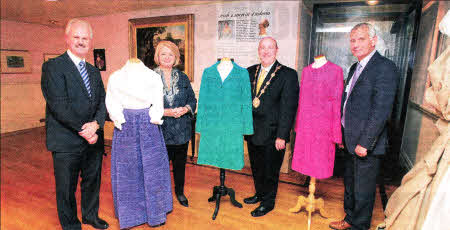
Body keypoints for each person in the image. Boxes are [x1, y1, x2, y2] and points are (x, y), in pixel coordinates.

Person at [329, 23, 399, 230]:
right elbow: (349, 103)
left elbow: (381, 111)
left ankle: (359, 226)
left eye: (361, 39)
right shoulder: (355, 67)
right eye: (352, 40)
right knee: (350, 185)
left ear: (373, 40)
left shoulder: (385, 67)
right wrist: (343, 135)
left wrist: (365, 142)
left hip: (366, 144)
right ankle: (349, 219)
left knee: (364, 190)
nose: (355, 44)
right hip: (350, 140)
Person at [41, 19, 109, 230]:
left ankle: (90, 216)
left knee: (92, 182)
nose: (81, 41)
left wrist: (96, 125)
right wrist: (85, 130)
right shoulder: (53, 67)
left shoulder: (94, 71)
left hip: (93, 140)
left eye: (85, 38)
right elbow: (59, 106)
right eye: (76, 37)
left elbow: (102, 103)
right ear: (67, 38)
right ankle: (71, 225)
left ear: (90, 41)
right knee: (66, 188)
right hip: (66, 141)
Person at [106, 58, 172, 229]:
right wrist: (118, 119)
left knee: (152, 168)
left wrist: (155, 117)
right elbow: (111, 102)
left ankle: (155, 212)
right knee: (127, 170)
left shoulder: (151, 76)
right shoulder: (116, 77)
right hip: (127, 123)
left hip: (147, 122)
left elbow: (158, 103)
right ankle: (130, 216)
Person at [244, 37, 299, 217]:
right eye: (262, 48)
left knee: (270, 171)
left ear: (277, 50)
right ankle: (260, 194)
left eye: (270, 48)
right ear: (258, 51)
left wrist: (282, 135)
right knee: (256, 167)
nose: (265, 51)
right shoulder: (249, 72)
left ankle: (268, 203)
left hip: (274, 133)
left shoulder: (288, 74)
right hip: (253, 131)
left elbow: (288, 108)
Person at [153, 41, 197, 207]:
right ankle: (160, 196)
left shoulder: (183, 77)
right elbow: (145, 104)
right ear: (158, 56)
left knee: (180, 166)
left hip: (181, 131)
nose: (167, 57)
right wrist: (165, 112)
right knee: (159, 167)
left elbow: (192, 100)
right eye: (163, 54)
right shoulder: (149, 77)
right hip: (159, 131)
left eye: (171, 54)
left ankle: (179, 192)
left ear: (175, 58)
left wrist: (185, 109)